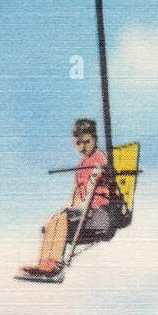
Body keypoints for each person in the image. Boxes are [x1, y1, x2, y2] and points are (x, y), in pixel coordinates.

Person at [20, 118, 113, 277]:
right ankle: (44, 263)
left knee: (62, 218)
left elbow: (92, 184)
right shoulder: (82, 164)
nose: (82, 147)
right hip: (85, 211)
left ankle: (54, 264)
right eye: (78, 144)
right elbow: (76, 193)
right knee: (53, 219)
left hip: (100, 213)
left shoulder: (99, 158)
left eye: (86, 142)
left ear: (94, 139)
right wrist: (68, 209)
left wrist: (74, 211)